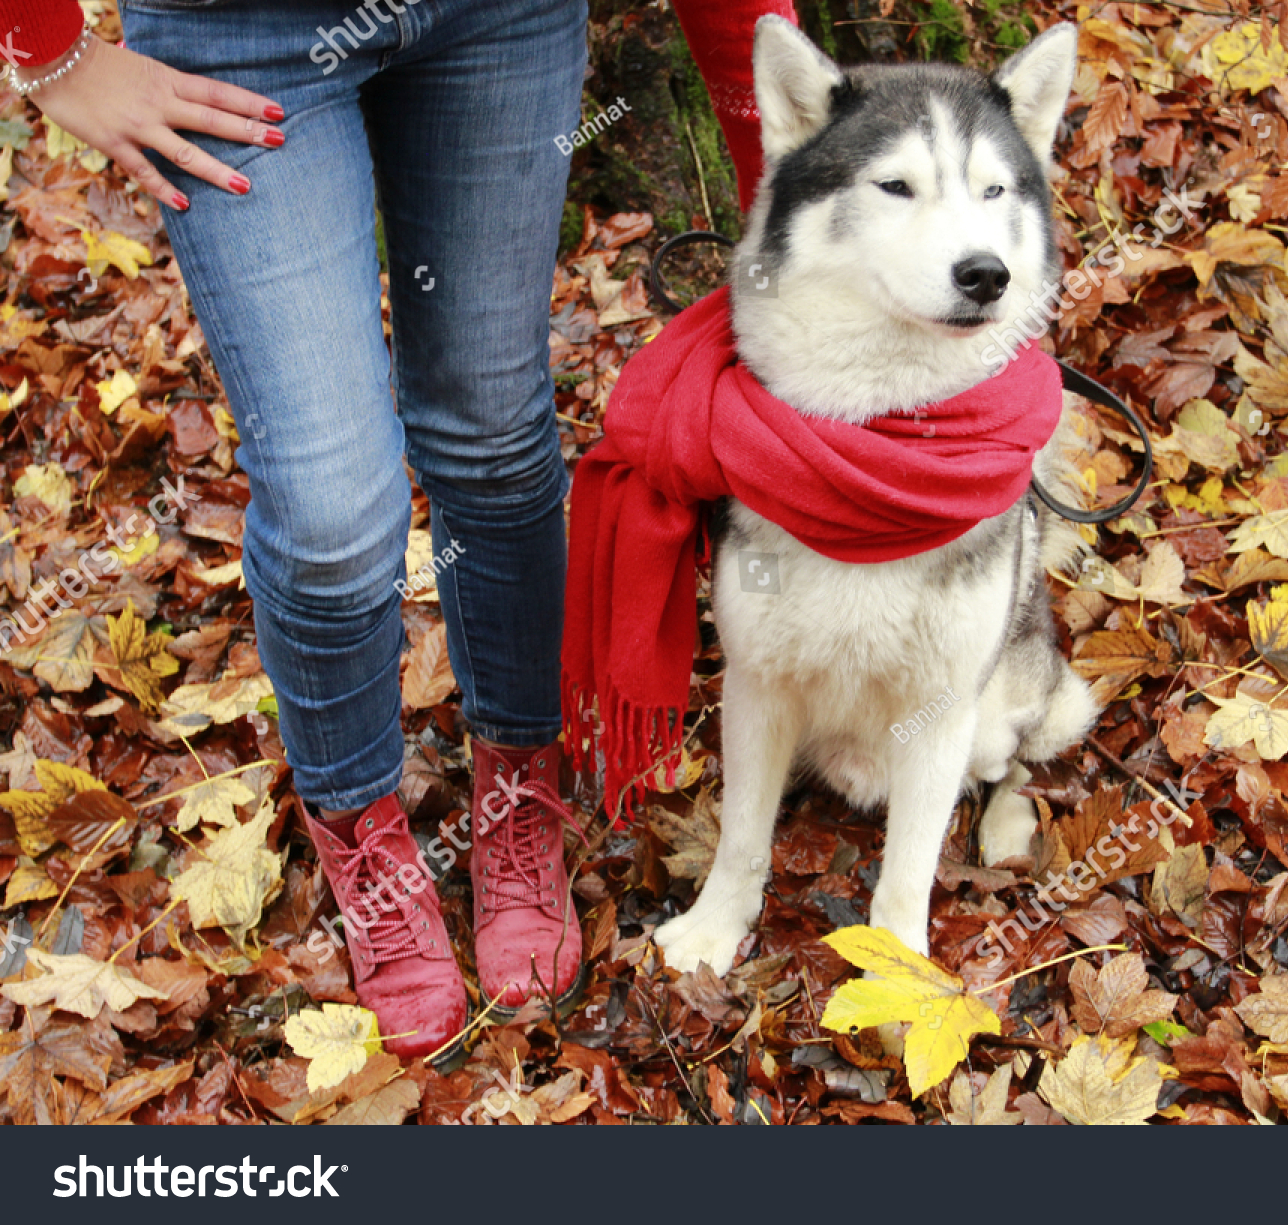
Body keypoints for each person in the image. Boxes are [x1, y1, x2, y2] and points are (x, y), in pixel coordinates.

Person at [5, 0, 791, 1059]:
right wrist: (49, 53)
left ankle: (519, 786)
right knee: (333, 512)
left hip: (498, 24)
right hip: (239, 35)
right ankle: (363, 835)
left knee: (494, 433)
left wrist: (775, 171)